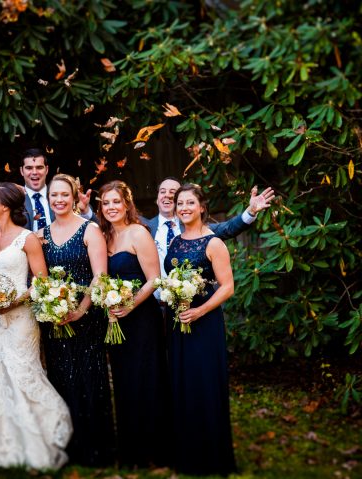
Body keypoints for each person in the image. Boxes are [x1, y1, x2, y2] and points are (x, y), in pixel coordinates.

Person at [0, 182, 72, 469]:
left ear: (5, 205)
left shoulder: (27, 239)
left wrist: (13, 301)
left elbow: (42, 284)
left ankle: (34, 447)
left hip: (20, 320)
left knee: (21, 372)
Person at [36, 173, 114, 466]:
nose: (59, 200)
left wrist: (80, 310)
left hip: (86, 316)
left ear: (74, 196)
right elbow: (40, 278)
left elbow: (100, 276)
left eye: (64, 195)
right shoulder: (42, 235)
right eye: (54, 195)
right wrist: (51, 307)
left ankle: (96, 449)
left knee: (88, 377)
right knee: (60, 379)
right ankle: (68, 449)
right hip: (55, 319)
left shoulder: (89, 230)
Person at [164, 183, 236, 476]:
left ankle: (213, 456)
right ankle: (188, 454)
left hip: (204, 323)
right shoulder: (175, 241)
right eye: (180, 203)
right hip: (179, 322)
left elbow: (228, 286)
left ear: (202, 207)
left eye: (190, 203)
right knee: (183, 384)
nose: (184, 208)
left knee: (205, 384)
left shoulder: (213, 242)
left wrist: (200, 310)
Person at [97, 180, 169, 468]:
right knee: (124, 382)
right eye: (106, 203)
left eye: (116, 201)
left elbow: (154, 279)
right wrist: (110, 304)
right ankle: (130, 450)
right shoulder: (104, 236)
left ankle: (153, 451)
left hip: (141, 320)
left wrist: (128, 304)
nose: (111, 207)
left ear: (126, 203)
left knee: (146, 381)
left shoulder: (139, 233)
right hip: (116, 319)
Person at [146, 176, 275, 271]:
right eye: (162, 191)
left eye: (172, 192)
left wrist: (251, 211)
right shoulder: (144, 228)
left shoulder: (199, 229)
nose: (167, 195)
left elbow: (228, 228)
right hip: (153, 304)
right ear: (157, 199)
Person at [19, 148, 96, 231]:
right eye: (29, 168)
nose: (34, 172)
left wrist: (85, 211)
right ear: (22, 171)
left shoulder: (63, 195)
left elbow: (96, 228)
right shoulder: (14, 198)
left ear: (47, 170)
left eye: (39, 167)